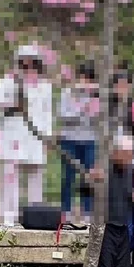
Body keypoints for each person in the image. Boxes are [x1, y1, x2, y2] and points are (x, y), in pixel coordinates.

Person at [0, 44, 53, 227]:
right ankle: (9, 214)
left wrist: (47, 137)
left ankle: (34, 215)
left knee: (35, 175)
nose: (28, 66)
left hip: (35, 135)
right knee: (10, 174)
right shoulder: (9, 80)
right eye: (24, 62)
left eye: (32, 62)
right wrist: (13, 103)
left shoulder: (44, 85)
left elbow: (47, 112)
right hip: (13, 133)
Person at [86, 134, 134, 267]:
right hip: (105, 228)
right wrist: (91, 181)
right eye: (127, 154)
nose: (130, 158)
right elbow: (85, 192)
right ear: (116, 153)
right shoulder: (103, 169)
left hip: (123, 227)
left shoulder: (130, 172)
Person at [59, 61, 99, 224]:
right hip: (69, 139)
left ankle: (87, 211)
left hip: (89, 140)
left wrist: (91, 114)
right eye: (82, 78)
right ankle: (66, 211)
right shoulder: (68, 93)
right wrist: (80, 112)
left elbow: (99, 118)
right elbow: (62, 115)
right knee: (68, 176)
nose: (85, 83)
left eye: (88, 79)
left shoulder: (97, 96)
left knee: (88, 176)